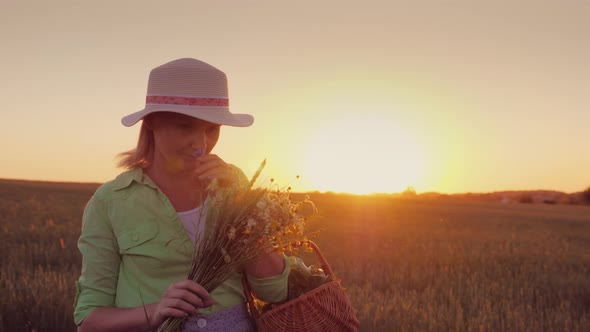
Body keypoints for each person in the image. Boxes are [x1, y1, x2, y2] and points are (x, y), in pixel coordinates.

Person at [74, 58, 290, 332]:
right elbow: (88, 320)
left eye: (212, 129)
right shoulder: (110, 201)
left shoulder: (234, 182)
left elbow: (273, 290)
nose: (201, 144)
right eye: (184, 126)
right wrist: (155, 311)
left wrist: (242, 208)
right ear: (152, 122)